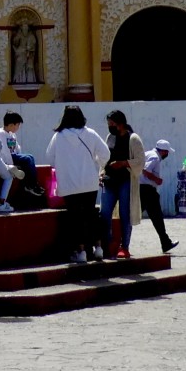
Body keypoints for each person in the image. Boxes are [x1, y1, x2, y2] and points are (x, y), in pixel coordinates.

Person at [48, 105, 110, 264]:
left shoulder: (59, 137)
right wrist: (97, 164)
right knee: (91, 215)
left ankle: (81, 252)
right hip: (89, 182)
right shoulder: (90, 133)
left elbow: (49, 157)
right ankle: (98, 248)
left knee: (76, 218)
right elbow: (105, 154)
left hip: (69, 184)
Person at [98, 110, 140, 258]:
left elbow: (140, 161)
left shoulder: (133, 139)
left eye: (112, 124)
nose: (110, 126)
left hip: (125, 179)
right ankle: (107, 244)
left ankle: (125, 245)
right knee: (105, 213)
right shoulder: (110, 137)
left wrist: (123, 163)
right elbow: (104, 158)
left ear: (120, 123)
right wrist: (101, 173)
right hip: (109, 179)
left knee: (124, 213)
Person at [139, 139, 178, 253]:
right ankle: (165, 242)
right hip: (147, 191)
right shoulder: (155, 157)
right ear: (163, 151)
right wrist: (157, 180)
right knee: (156, 218)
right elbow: (145, 170)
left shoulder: (148, 154)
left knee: (155, 218)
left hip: (143, 189)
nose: (167, 155)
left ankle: (165, 242)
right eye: (167, 152)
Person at [1, 112, 43, 204]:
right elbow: (4, 151)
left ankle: (33, 184)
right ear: (11, 125)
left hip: (14, 156)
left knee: (30, 157)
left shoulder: (12, 134)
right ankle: (31, 185)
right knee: (28, 159)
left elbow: (17, 148)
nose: (18, 127)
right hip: (8, 158)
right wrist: (10, 163)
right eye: (17, 125)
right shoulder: (1, 133)